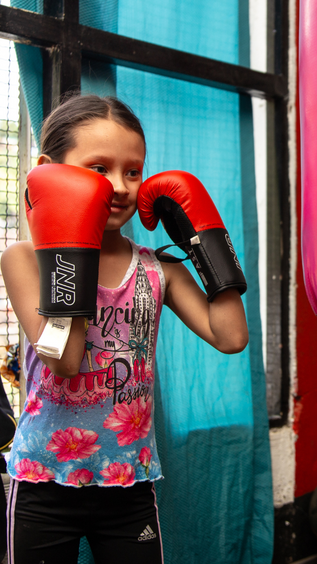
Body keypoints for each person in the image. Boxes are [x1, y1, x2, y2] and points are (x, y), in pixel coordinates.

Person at [0, 94, 249, 564]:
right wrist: (70, 240)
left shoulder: (157, 269)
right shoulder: (22, 260)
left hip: (127, 481)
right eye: (98, 169)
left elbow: (231, 337)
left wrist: (206, 244)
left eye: (132, 171)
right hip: (44, 479)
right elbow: (66, 359)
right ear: (49, 171)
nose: (119, 186)